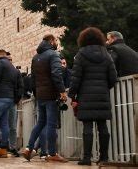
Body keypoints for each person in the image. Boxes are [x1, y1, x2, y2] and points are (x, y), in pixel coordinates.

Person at [69, 27, 117, 165]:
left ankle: (87, 158)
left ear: (83, 39)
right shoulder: (106, 54)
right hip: (102, 96)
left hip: (85, 96)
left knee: (87, 128)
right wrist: (104, 87)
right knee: (103, 127)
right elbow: (113, 77)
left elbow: (75, 78)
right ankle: (104, 158)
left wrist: (73, 95)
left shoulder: (80, 55)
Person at [21, 34, 67, 162]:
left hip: (40, 95)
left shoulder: (36, 57)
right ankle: (52, 154)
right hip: (51, 94)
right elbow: (56, 74)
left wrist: (36, 93)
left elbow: (33, 78)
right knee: (51, 124)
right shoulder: (53, 54)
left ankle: (28, 148)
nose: (56, 43)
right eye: (56, 40)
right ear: (51, 41)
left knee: (40, 123)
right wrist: (62, 91)